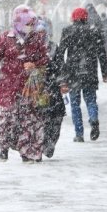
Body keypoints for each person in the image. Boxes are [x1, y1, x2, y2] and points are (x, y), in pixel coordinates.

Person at [0, 5, 49, 163]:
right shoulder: (5, 38)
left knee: (28, 121)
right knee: (7, 121)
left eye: (32, 23)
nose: (31, 27)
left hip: (28, 88)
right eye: (28, 23)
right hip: (8, 87)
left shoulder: (36, 39)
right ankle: (4, 147)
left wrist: (34, 63)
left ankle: (27, 152)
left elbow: (46, 58)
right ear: (19, 23)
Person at [58, 7, 107, 142]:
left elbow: (60, 53)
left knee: (75, 104)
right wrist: (105, 72)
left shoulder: (67, 31)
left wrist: (62, 72)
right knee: (91, 100)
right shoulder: (94, 31)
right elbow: (102, 53)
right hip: (90, 71)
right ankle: (93, 119)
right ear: (86, 18)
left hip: (72, 73)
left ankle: (79, 133)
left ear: (73, 18)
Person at [38, 18, 65, 158]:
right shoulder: (30, 48)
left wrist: (62, 83)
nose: (41, 35)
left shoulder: (54, 47)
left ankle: (50, 143)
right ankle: (42, 144)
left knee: (57, 116)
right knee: (43, 117)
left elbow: (60, 66)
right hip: (37, 88)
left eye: (43, 32)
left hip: (52, 86)